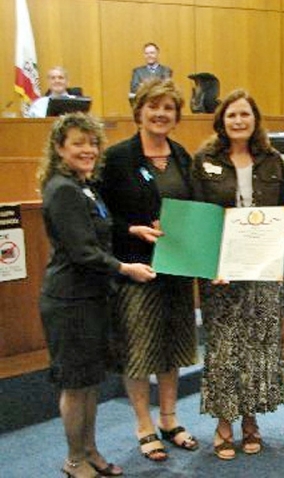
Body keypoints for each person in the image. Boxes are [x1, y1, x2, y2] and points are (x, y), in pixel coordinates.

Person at [38, 113, 156, 478]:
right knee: (75, 385)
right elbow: (83, 252)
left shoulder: (84, 185)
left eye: (92, 143)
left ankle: (89, 450)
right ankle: (74, 459)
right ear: (60, 148)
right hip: (69, 301)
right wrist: (126, 268)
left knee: (89, 382)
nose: (87, 150)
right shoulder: (63, 189)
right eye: (78, 143)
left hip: (92, 298)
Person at [99, 79, 199, 462]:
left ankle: (170, 420)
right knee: (139, 349)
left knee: (172, 346)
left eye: (168, 108)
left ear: (176, 115)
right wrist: (130, 228)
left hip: (176, 266)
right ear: (138, 111)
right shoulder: (118, 157)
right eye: (153, 106)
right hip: (136, 267)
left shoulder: (180, 155)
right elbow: (101, 214)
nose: (161, 114)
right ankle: (144, 425)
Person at [193, 89, 284, 460]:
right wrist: (209, 263)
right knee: (222, 348)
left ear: (255, 120)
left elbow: (281, 210)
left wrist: (278, 246)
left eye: (245, 115)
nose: (238, 121)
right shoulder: (204, 160)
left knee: (257, 346)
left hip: (262, 269)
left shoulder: (273, 160)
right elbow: (200, 214)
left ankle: (250, 420)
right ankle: (224, 423)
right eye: (232, 115)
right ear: (222, 121)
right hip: (220, 271)